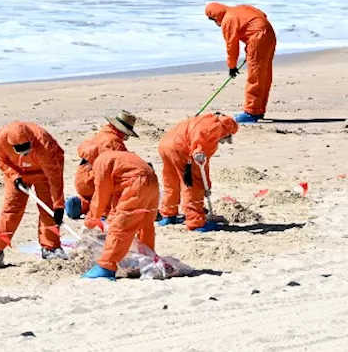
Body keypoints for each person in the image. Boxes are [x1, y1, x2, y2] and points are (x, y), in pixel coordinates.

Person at [0, 121, 66, 268]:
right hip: (17, 172)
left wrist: (59, 205)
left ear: (31, 140)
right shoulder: (2, 138)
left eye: (26, 149)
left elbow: (54, 176)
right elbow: (1, 159)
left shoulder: (43, 143)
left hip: (45, 172)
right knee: (11, 209)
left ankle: (51, 247)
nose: (24, 153)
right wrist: (14, 176)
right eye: (19, 149)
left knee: (48, 209)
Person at [80, 150, 159, 280]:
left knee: (121, 226)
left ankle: (106, 266)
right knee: (145, 224)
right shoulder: (116, 156)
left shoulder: (101, 162)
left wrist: (91, 220)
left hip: (137, 184)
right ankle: (147, 258)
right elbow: (117, 197)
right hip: (152, 180)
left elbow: (101, 195)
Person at [157, 112, 238, 232]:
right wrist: (203, 186)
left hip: (165, 145)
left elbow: (204, 163)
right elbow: (199, 152)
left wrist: (208, 184)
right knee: (192, 185)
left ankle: (168, 214)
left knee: (171, 181)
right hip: (181, 150)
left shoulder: (205, 119)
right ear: (226, 132)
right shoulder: (214, 129)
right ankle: (195, 222)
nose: (222, 142)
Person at [204, 2, 277, 124]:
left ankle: (251, 112)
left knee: (256, 76)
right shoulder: (240, 8)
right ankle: (259, 109)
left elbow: (231, 45)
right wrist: (251, 47)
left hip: (258, 37)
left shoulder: (228, 20)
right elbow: (262, 15)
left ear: (215, 16)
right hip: (269, 34)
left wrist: (232, 66)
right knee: (264, 74)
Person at [66, 111, 139, 220]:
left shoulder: (103, 133)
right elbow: (125, 164)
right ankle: (104, 212)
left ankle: (80, 205)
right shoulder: (114, 142)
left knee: (91, 199)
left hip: (82, 176)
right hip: (93, 180)